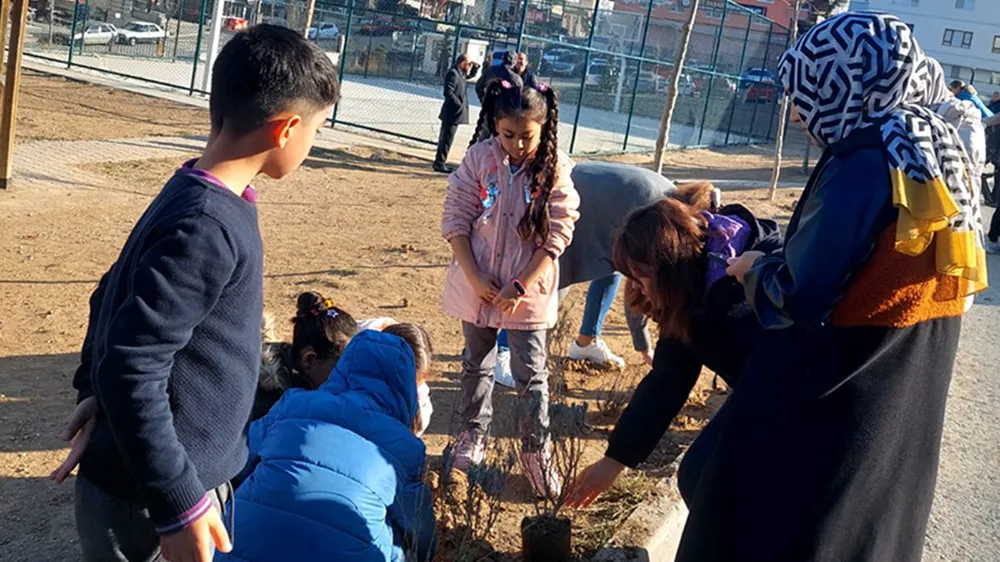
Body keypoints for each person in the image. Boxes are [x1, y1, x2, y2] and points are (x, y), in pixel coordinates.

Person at [674, 14, 986, 561]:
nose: (795, 111)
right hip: (905, 381)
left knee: (771, 521)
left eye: (805, 91)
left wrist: (751, 271)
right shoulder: (929, 146)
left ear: (848, 82)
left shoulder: (864, 161)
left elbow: (799, 296)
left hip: (839, 393)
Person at [50, 25, 339, 562]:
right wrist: (179, 503)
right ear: (287, 129)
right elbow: (133, 364)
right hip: (153, 501)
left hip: (166, 480)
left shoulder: (200, 192)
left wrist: (94, 387)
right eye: (317, 130)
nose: (313, 143)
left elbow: (109, 294)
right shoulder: (206, 224)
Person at [565, 182, 781, 509]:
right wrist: (616, 459)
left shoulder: (740, 299)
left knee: (710, 477)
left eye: (641, 277)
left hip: (804, 393)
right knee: (699, 475)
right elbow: (667, 380)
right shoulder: (694, 286)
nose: (637, 289)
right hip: (762, 392)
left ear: (670, 265)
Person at [441, 78, 579, 497]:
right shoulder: (478, 159)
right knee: (475, 364)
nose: (517, 145)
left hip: (527, 295)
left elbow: (559, 232)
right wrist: (474, 275)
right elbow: (456, 218)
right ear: (494, 126)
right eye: (508, 135)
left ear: (544, 128)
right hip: (478, 287)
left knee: (531, 375)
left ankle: (535, 450)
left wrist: (522, 284)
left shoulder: (554, 168)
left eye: (527, 137)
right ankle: (472, 436)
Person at [218, 327, 437, 562]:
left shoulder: (294, 403)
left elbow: (239, 455)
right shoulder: (406, 448)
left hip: (243, 545)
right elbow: (418, 529)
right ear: (406, 389)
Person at [494, 162, 676, 389]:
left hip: (607, 202)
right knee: (552, 275)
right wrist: (644, 347)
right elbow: (638, 289)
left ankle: (586, 341)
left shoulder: (674, 206)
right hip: (574, 196)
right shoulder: (665, 228)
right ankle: (503, 351)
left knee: (613, 266)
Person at [252, 293, 358, 421]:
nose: (352, 379)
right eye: (343, 370)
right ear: (310, 360)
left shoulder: (306, 385)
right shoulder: (266, 408)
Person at [434, 54, 474, 174]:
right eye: (468, 64)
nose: (469, 67)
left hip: (455, 113)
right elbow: (448, 92)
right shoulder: (453, 73)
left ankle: (440, 161)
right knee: (446, 139)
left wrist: (474, 67)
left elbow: (470, 75)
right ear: (462, 63)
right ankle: (440, 163)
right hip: (451, 113)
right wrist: (459, 104)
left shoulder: (460, 73)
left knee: (447, 138)